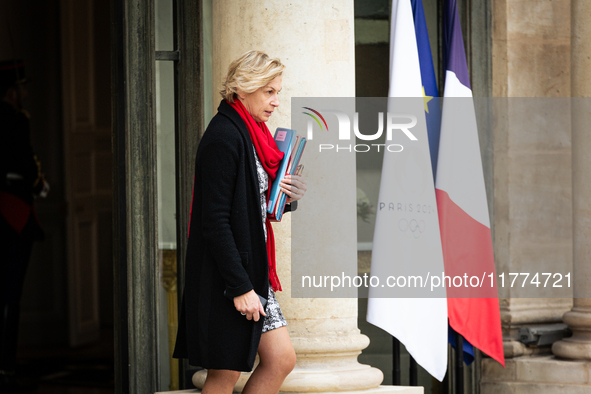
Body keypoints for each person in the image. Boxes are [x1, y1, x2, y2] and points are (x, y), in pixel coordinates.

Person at [173, 50, 307, 394]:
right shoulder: (224, 137)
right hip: (229, 278)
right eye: (269, 92)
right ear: (243, 89)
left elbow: (248, 208)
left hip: (250, 272)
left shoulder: (250, 134)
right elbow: (214, 222)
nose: (276, 101)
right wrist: (241, 287)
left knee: (280, 359)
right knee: (224, 374)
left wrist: (283, 198)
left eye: (277, 91)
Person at [0, 59, 48, 390]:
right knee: (9, 294)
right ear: (11, 91)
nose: (26, 92)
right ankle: (5, 364)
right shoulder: (17, 120)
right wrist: (38, 184)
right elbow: (27, 167)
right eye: (22, 87)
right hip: (11, 210)